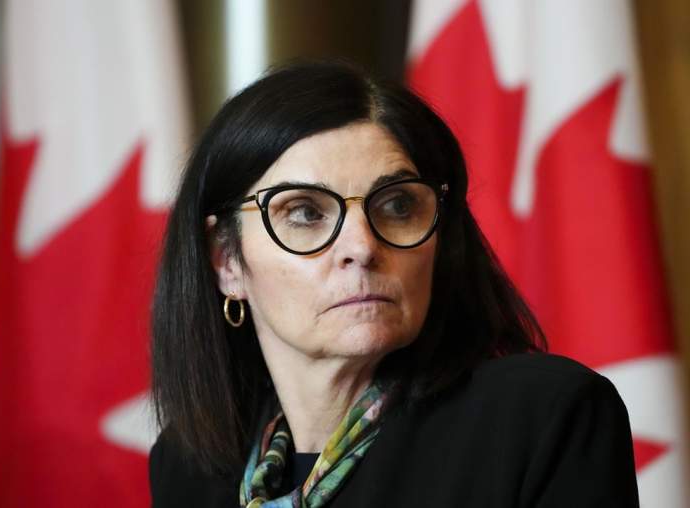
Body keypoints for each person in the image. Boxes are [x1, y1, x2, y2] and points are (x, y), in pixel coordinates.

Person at [149, 60, 639, 507]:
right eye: (304, 212)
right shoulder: (189, 467)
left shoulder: (540, 417)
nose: (362, 247)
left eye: (398, 205)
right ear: (227, 261)